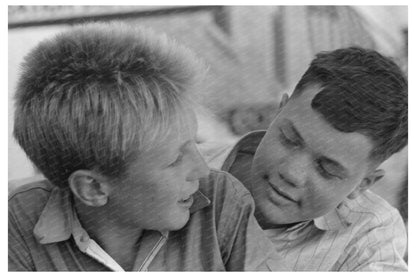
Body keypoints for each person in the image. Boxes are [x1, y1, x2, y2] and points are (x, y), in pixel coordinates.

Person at [8, 22, 284, 271]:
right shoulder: (14, 224)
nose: (201, 169)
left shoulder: (222, 201)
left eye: (194, 143)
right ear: (92, 188)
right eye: (175, 159)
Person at [210, 47, 408, 271]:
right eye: (289, 139)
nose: (291, 173)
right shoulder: (181, 165)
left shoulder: (370, 237)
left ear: (363, 183)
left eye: (326, 170)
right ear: (278, 112)